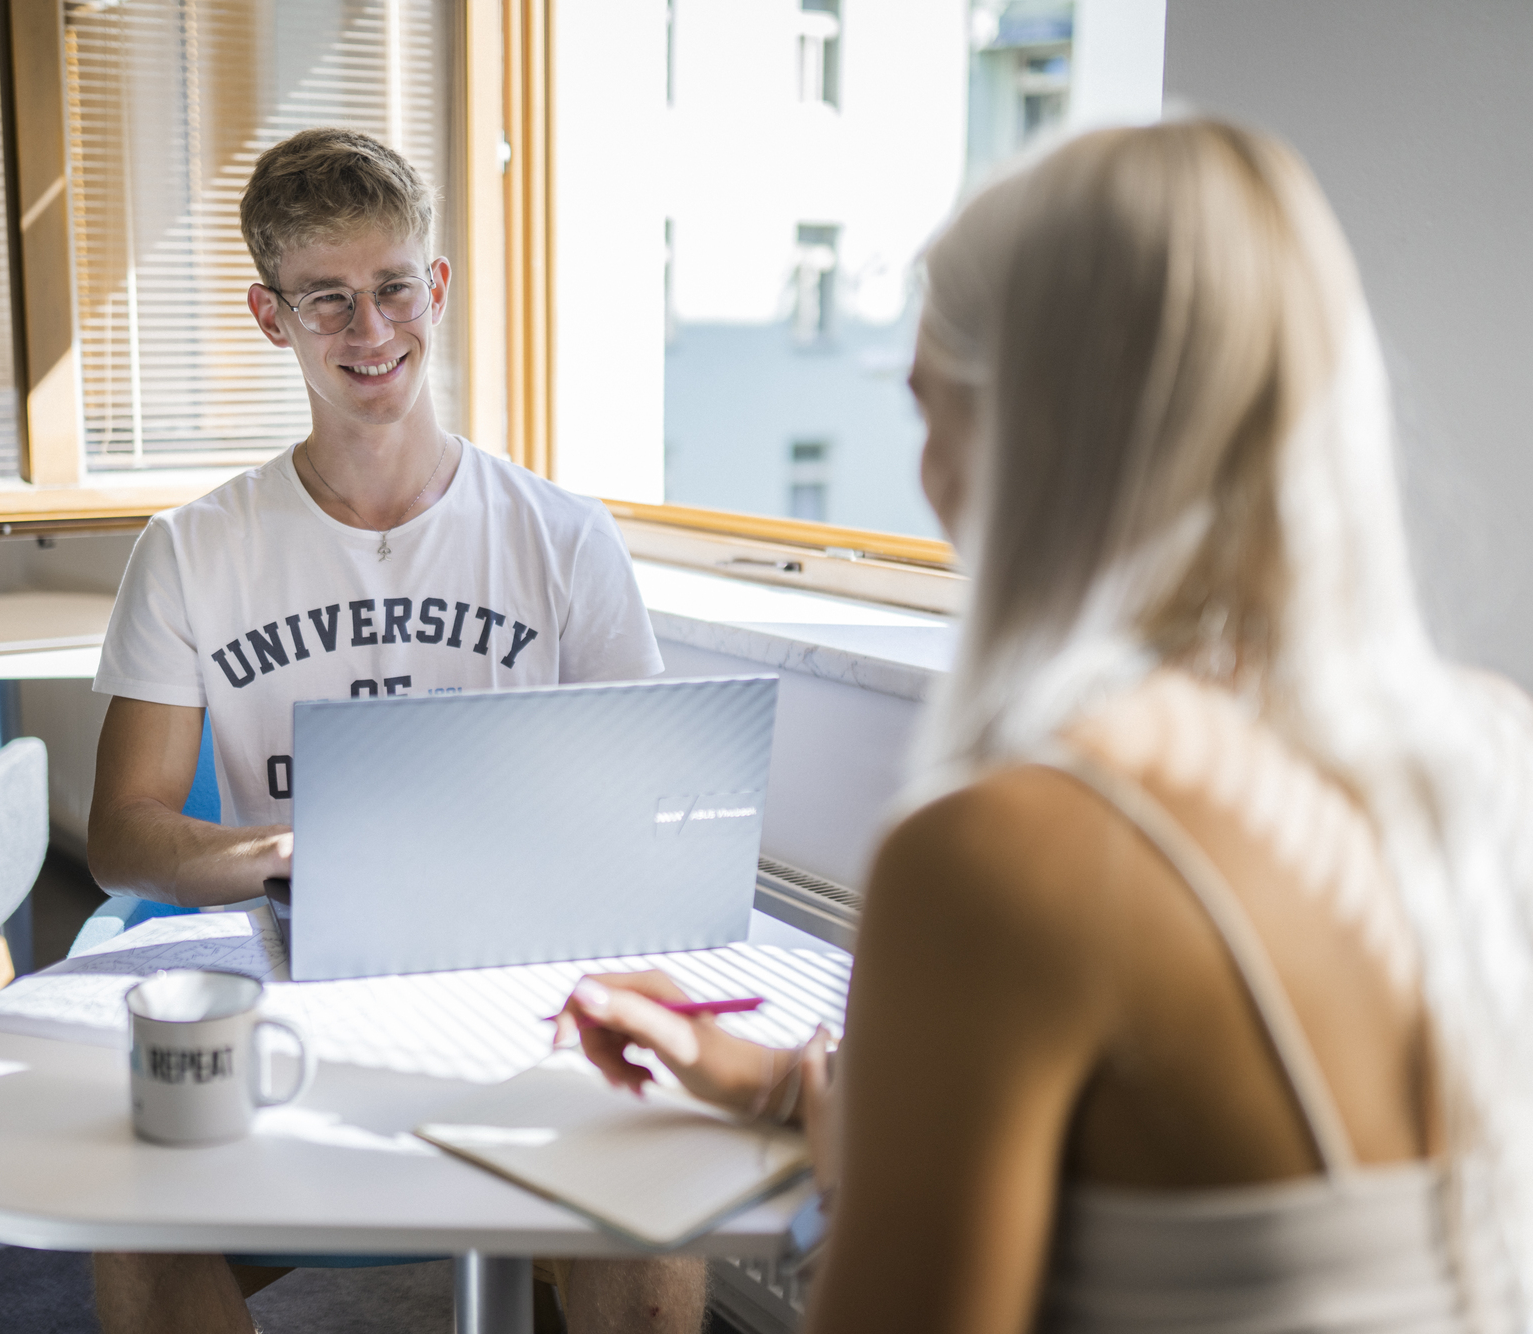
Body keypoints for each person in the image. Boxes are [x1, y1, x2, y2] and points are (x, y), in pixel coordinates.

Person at [560, 119, 1533, 1333]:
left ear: (1039, 435)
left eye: (928, 411)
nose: (924, 476)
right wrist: (777, 1083)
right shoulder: (1487, 755)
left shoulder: (1008, 849)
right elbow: (1182, 1168)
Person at [85, 127, 701, 1334]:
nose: (369, 332)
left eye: (390, 288)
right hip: (294, 971)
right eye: (326, 301)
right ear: (272, 318)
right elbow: (122, 832)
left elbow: (650, 803)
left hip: (522, 979)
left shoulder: (564, 538)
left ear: (438, 288)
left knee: (651, 1215)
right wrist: (279, 852)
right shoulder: (193, 549)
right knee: (135, 1227)